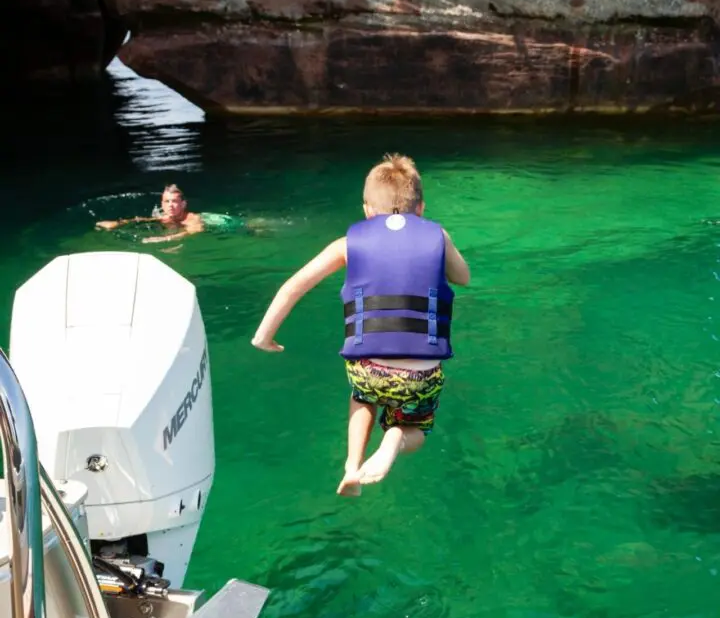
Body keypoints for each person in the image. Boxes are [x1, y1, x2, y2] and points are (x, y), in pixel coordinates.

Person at [251, 153, 470, 495]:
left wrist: (264, 335)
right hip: (421, 373)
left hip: (368, 367)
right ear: (421, 208)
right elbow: (463, 277)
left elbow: (293, 286)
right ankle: (394, 440)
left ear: (367, 210)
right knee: (417, 429)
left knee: (362, 396)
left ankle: (352, 466)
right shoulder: (437, 236)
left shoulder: (346, 244)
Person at [95, 184, 204, 243]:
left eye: (174, 201)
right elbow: (144, 220)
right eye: (167, 201)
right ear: (162, 204)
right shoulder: (164, 217)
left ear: (183, 204)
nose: (170, 205)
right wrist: (118, 223)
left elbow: (193, 231)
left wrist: (164, 239)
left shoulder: (192, 218)